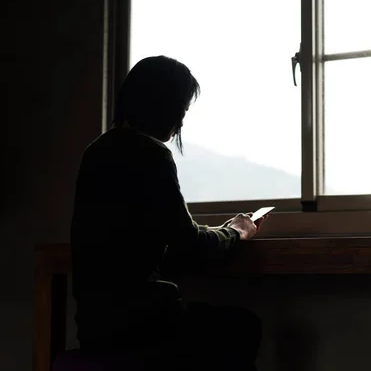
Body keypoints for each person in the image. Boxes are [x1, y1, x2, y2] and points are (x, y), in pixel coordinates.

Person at [70, 55, 265, 370]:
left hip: (95, 328)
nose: (182, 122)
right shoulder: (151, 154)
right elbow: (188, 243)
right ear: (163, 106)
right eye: (182, 110)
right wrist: (236, 231)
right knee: (243, 326)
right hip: (143, 324)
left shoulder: (96, 151)